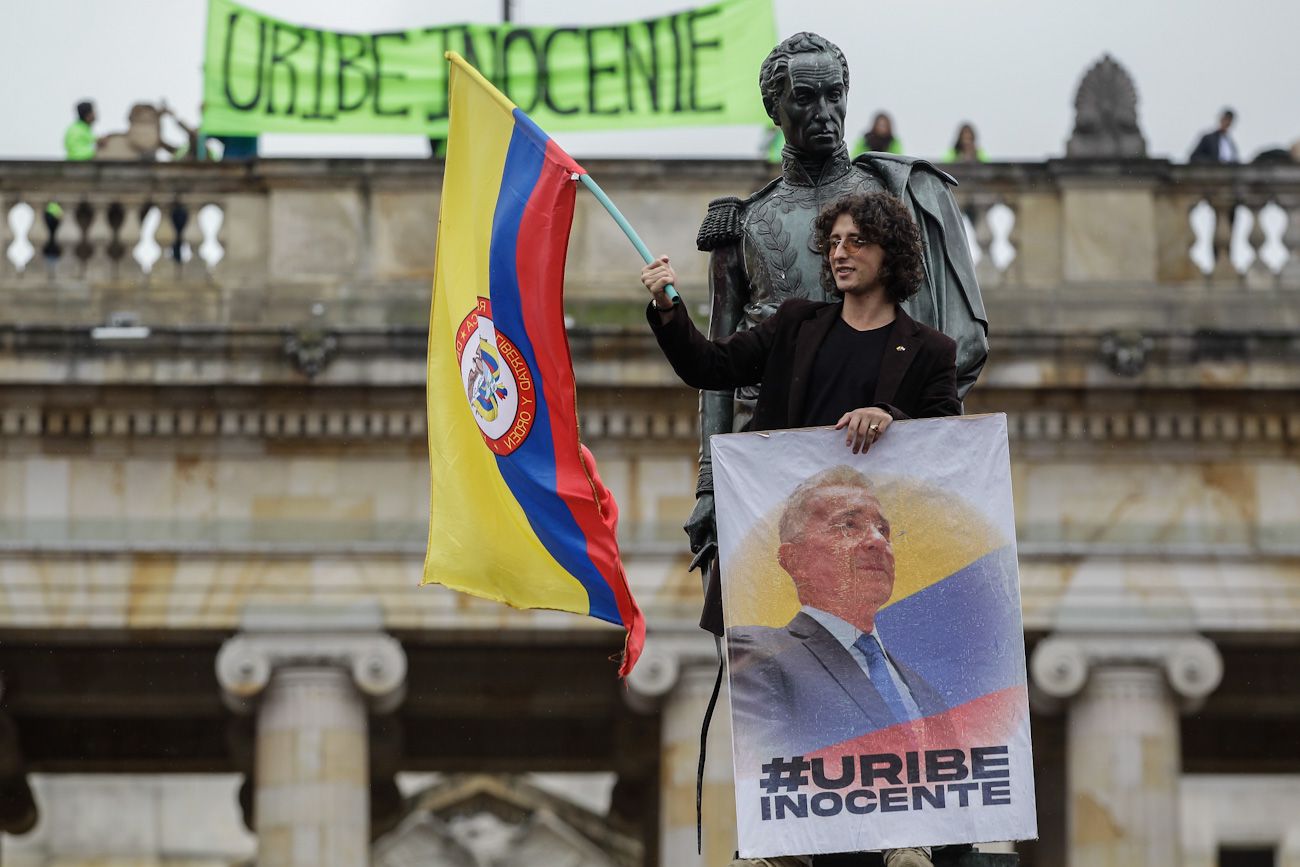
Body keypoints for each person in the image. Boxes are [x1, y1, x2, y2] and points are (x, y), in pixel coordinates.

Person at [643, 189, 958, 867]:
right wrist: (670, 310)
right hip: (790, 541)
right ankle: (781, 834)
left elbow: (948, 455)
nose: (840, 255)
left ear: (890, 257)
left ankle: (907, 831)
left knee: (881, 678)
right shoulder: (796, 325)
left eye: (856, 243)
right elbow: (714, 368)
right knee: (776, 678)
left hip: (876, 536)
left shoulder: (930, 351)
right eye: (834, 243)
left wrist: (892, 418)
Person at [685, 32, 985, 643]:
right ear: (776, 110)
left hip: (885, 460)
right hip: (779, 463)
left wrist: (899, 417)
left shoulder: (901, 199)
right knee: (778, 653)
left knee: (906, 641)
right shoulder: (744, 223)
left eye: (834, 95)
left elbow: (960, 345)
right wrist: (712, 485)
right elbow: (715, 366)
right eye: (805, 99)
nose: (824, 113)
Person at [727, 467, 950, 756]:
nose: (878, 541)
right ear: (794, 560)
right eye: (849, 526)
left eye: (883, 530)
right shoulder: (761, 653)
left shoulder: (926, 692)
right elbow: (768, 779)